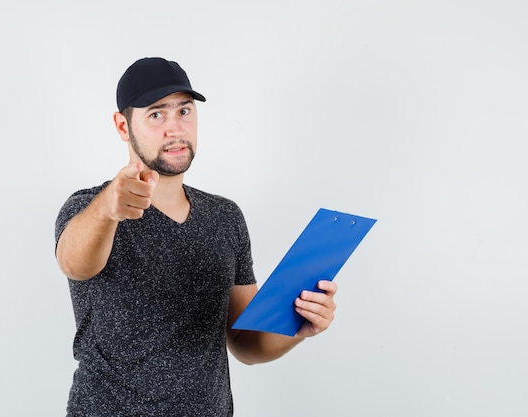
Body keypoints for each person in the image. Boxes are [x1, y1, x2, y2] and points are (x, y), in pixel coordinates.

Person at [54, 57, 338, 417]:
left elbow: (247, 343)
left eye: (184, 111)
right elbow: (74, 263)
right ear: (123, 126)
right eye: (156, 114)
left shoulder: (225, 217)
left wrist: (296, 325)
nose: (175, 129)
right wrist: (108, 209)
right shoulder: (90, 209)